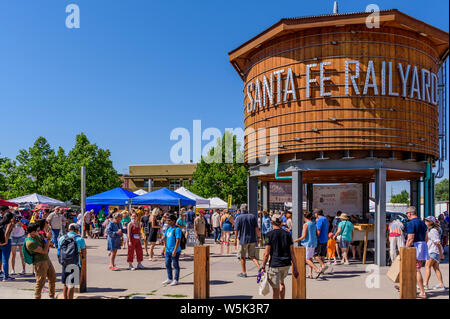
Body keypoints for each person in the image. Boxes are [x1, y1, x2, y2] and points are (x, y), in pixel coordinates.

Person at [261, 214, 299, 299]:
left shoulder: (269, 235)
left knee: (275, 289)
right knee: (282, 283)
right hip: (286, 264)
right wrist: (295, 267)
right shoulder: (288, 234)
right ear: (281, 222)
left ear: (272, 222)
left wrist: (263, 266)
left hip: (275, 264)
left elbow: (266, 253)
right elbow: (292, 252)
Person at [24, 222, 56, 299]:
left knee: (52, 278)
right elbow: (44, 251)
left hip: (46, 259)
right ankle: (37, 297)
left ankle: (51, 296)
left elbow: (46, 244)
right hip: (39, 262)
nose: (39, 232)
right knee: (40, 282)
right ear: (32, 232)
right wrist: (48, 239)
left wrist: (49, 241)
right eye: (38, 231)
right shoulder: (30, 243)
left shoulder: (38, 235)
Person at [405, 206, 429, 299]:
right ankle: (408, 287)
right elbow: (426, 237)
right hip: (422, 245)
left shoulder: (411, 223)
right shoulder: (423, 223)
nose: (407, 215)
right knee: (414, 269)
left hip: (415, 246)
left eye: (407, 213)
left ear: (410, 213)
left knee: (416, 269)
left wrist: (405, 249)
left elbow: (410, 238)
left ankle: (422, 292)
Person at [57, 223, 86, 299]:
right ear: (76, 230)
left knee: (65, 284)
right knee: (71, 285)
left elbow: (58, 252)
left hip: (65, 263)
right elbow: (83, 252)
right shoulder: (80, 239)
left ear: (68, 229)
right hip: (75, 264)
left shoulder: (62, 238)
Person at [234, 204, 261, 278]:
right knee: (252, 256)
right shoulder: (252, 216)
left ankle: (244, 272)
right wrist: (259, 237)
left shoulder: (238, 217)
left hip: (243, 240)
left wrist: (235, 239)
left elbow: (236, 230)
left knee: (242, 257)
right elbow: (257, 228)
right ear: (247, 209)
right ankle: (259, 268)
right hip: (252, 239)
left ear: (241, 209)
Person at [294, 211, 322, 279]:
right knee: (310, 258)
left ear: (304, 217)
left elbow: (303, 236)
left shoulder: (306, 224)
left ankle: (317, 269)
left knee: (307, 259)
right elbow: (316, 234)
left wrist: (296, 240)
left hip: (308, 243)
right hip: (313, 242)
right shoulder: (313, 224)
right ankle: (310, 274)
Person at [423, 216, 445, 291]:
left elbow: (438, 242)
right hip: (434, 250)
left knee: (427, 266)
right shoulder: (430, 230)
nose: (425, 221)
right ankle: (441, 284)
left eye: (427, 220)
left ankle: (425, 284)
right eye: (425, 220)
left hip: (433, 251)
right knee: (436, 268)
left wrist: (441, 254)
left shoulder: (433, 231)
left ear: (431, 222)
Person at [162, 214, 182, 286]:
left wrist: (175, 250)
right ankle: (169, 278)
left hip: (175, 250)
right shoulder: (168, 228)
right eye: (167, 220)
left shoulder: (177, 229)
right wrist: (162, 241)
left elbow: (178, 240)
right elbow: (166, 237)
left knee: (175, 265)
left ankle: (176, 279)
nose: (167, 221)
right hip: (168, 250)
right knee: (167, 264)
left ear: (173, 221)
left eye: (169, 220)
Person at [0, 212, 15, 281]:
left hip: (0, 242)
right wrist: (6, 241)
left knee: (0, 259)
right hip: (6, 242)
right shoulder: (9, 224)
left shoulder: (1, 223)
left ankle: (1, 274)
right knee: (5, 260)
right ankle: (6, 276)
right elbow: (6, 233)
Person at [314, 208, 329, 273]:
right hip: (325, 238)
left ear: (316, 214)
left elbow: (318, 230)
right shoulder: (325, 219)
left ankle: (322, 265)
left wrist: (315, 237)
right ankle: (322, 269)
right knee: (322, 255)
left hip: (319, 239)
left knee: (315, 255)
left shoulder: (320, 220)